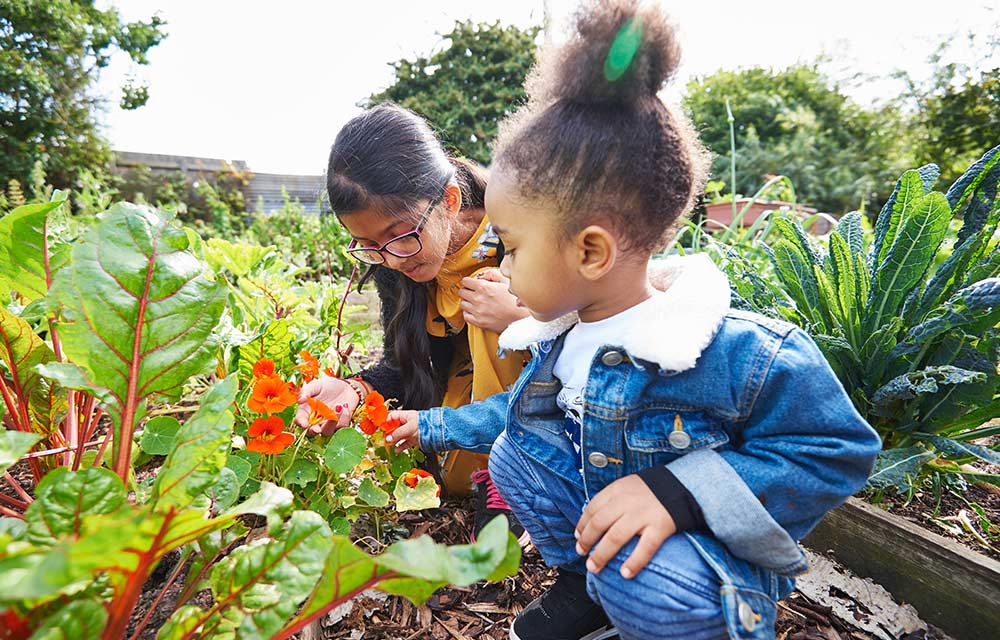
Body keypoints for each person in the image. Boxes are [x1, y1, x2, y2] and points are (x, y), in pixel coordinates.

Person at [383, 1, 884, 639]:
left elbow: (839, 450)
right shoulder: (561, 337)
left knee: (640, 575)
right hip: (620, 528)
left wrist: (680, 493)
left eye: (510, 246)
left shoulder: (735, 353)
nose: (500, 265)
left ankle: (676, 617)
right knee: (516, 452)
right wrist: (429, 424)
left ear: (589, 251)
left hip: (695, 560)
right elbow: (512, 416)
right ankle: (589, 593)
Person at [294, 103, 532, 542]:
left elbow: (602, 321)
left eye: (399, 235)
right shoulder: (393, 260)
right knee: (453, 474)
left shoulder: (523, 226)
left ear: (450, 200)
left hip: (546, 392)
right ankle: (489, 464)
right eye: (368, 244)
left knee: (487, 288)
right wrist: (354, 388)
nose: (388, 258)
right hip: (472, 389)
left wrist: (524, 317)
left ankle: (512, 471)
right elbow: (405, 365)